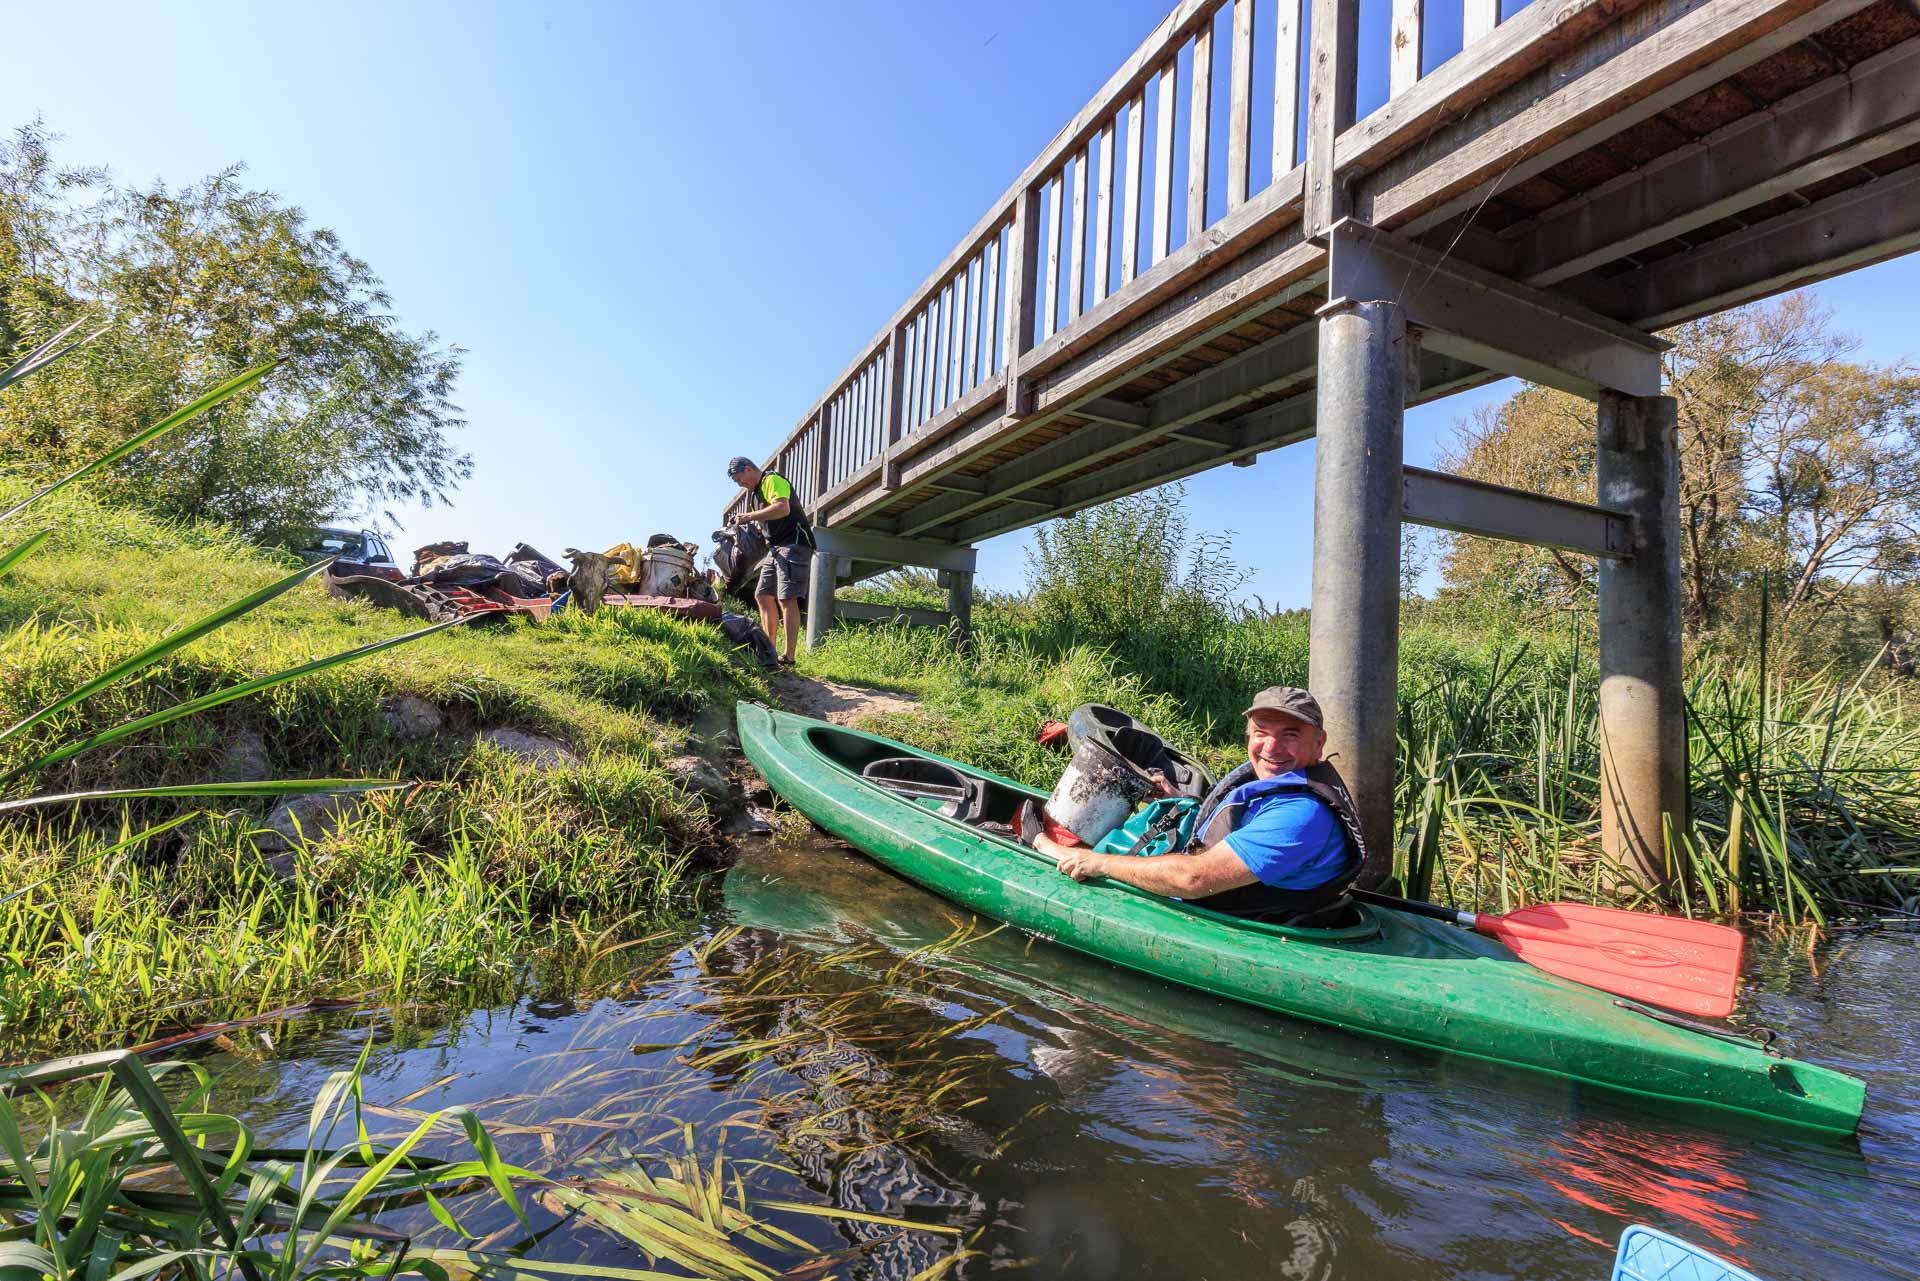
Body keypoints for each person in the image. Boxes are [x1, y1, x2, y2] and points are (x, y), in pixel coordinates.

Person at [1036, 686, 1365, 922]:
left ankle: (1053, 847)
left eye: (1290, 734)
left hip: (1226, 910)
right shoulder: (1279, 781)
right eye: (1261, 732)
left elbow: (1193, 879)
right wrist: (1174, 800)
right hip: (1221, 887)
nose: (1271, 746)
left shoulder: (1302, 816)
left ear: (1318, 743)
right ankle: (1052, 844)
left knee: (1088, 853)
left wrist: (1097, 863)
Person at [725, 455, 814, 665]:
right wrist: (751, 523)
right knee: (763, 595)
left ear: (748, 469)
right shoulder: (754, 494)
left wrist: (749, 516)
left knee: (787, 598)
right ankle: (769, 652)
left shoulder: (771, 480)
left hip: (794, 543)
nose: (740, 484)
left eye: (740, 479)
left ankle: (789, 656)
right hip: (774, 547)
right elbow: (767, 518)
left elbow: (783, 508)